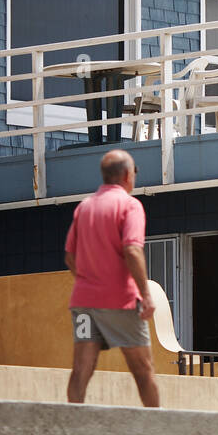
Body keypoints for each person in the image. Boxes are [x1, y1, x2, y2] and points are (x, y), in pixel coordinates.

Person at [64, 149, 159, 407]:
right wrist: (146, 295)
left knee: (81, 371)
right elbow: (132, 249)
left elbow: (70, 256)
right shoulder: (130, 206)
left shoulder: (84, 207)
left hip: (84, 303)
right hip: (122, 302)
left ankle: (72, 430)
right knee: (143, 372)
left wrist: (88, 280)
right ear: (128, 175)